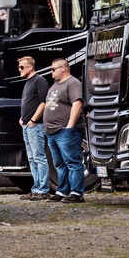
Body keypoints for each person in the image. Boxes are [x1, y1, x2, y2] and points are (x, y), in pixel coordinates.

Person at [43, 58, 86, 203]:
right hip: (52, 132)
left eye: (53, 69)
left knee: (72, 161)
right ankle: (62, 191)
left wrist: (70, 126)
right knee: (59, 164)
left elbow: (77, 104)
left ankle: (76, 193)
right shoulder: (55, 85)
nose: (51, 72)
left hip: (65, 131)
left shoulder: (73, 83)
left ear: (63, 68)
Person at [17, 56, 50, 201]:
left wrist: (33, 119)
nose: (19, 70)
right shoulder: (28, 82)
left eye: (22, 67)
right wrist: (22, 118)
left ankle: (43, 189)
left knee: (39, 157)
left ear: (30, 67)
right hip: (27, 125)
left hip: (35, 126)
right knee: (31, 158)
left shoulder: (39, 81)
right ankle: (36, 188)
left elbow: (44, 102)